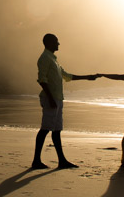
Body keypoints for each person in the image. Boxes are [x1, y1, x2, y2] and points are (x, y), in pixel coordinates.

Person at [33, 33, 96, 169]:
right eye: (56, 41)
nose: (58, 43)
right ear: (49, 43)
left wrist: (87, 77)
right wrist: (50, 98)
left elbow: (67, 76)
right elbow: (42, 79)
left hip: (57, 97)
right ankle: (36, 161)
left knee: (56, 130)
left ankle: (61, 160)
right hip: (51, 98)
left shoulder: (54, 60)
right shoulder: (44, 58)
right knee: (45, 129)